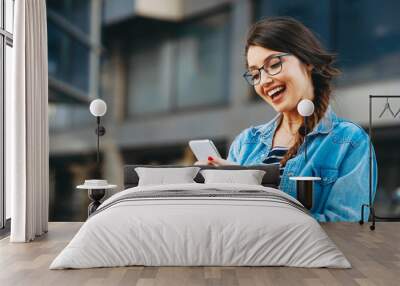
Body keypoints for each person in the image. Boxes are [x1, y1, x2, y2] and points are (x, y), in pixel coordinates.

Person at [196, 17, 378, 222]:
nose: (264, 81)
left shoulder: (349, 142)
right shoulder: (246, 143)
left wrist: (260, 206)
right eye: (255, 75)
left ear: (306, 61)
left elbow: (347, 227)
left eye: (274, 64)